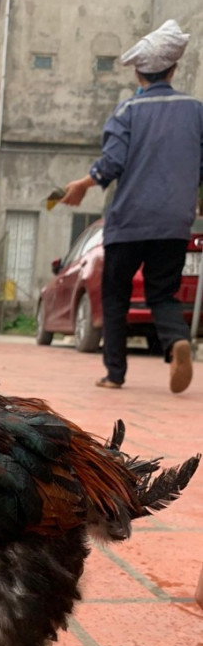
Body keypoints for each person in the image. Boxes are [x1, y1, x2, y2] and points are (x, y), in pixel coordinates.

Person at [62, 19, 203, 394]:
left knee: (115, 294)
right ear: (173, 69)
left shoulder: (126, 113)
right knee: (162, 293)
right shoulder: (195, 111)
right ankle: (176, 342)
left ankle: (115, 374)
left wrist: (82, 183)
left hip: (129, 222)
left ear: (138, 71)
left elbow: (111, 164)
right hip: (175, 222)